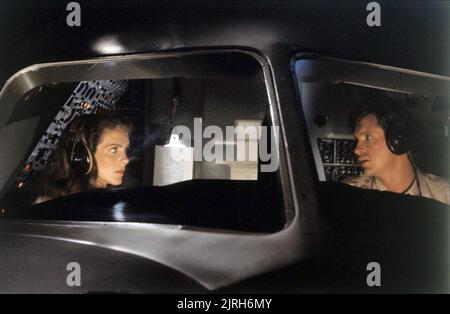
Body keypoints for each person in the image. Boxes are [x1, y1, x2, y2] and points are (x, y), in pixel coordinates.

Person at [342, 96, 450, 205]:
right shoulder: (350, 197)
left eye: (368, 138)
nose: (356, 150)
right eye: (357, 140)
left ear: (398, 139)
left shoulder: (445, 196)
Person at [33, 113, 132, 204]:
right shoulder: (49, 207)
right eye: (114, 150)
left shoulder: (120, 202)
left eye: (125, 150)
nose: (126, 160)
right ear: (82, 155)